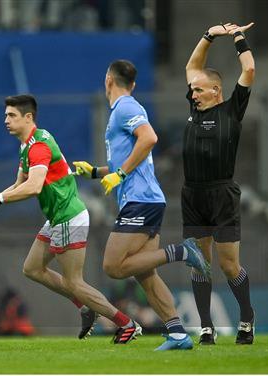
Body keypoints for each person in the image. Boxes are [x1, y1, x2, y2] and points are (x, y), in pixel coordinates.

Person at [0, 94, 142, 343]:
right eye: (5, 115)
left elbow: (34, 187)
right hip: (58, 217)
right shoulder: (27, 144)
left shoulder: (38, 147)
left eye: (11, 115)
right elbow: (20, 183)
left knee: (75, 282)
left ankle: (126, 324)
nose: (5, 120)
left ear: (28, 117)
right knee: (32, 268)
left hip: (68, 217)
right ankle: (85, 307)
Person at [73, 60, 210, 351]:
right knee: (145, 275)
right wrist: (97, 172)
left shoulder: (126, 107)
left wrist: (119, 174)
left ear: (108, 79)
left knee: (112, 266)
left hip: (141, 200)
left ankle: (182, 251)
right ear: (132, 83)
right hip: (143, 199)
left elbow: (149, 138)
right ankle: (177, 334)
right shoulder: (121, 111)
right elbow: (129, 158)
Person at [184, 22, 256, 345]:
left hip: (223, 195)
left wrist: (237, 36)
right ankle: (205, 326)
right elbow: (191, 66)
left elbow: (250, 67)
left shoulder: (232, 111)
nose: (193, 94)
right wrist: (209, 35)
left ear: (216, 91)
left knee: (229, 266)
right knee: (199, 263)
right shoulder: (194, 110)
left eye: (199, 90)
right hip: (193, 196)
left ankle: (247, 317)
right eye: (193, 91)